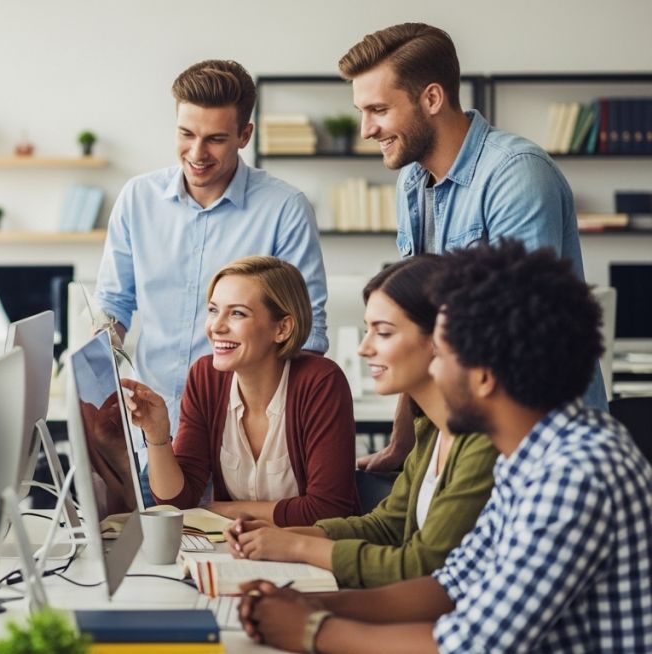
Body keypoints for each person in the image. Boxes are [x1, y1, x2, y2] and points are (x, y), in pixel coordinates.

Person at [238, 242, 652, 653]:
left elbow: (473, 646)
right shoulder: (530, 460)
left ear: (484, 376)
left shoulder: (575, 472)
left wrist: (312, 630)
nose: (434, 368)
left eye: (444, 354)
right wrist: (308, 604)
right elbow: (450, 585)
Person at [339, 22, 607, 473]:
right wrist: (404, 445)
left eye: (379, 109)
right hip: (462, 434)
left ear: (431, 98)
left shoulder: (516, 175)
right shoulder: (412, 182)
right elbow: (414, 321)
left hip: (539, 441)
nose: (367, 130)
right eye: (362, 111)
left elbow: (519, 335)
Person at [94, 59, 330, 504]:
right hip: (151, 440)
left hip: (241, 448)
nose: (197, 153)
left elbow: (309, 332)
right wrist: (97, 357)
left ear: (245, 135)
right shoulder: (137, 198)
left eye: (216, 139)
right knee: (152, 568)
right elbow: (113, 304)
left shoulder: (284, 208)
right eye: (186, 134)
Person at [224, 256, 497, 587]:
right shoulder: (431, 432)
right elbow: (386, 527)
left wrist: (297, 545)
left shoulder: (485, 443)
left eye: (382, 333)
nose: (364, 348)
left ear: (440, 339)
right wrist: (278, 535)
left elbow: (421, 567)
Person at [121, 257, 356, 526]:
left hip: (309, 553)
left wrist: (220, 510)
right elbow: (179, 503)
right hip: (237, 549)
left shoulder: (320, 382)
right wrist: (157, 436)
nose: (216, 327)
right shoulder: (205, 378)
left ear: (282, 328)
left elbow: (328, 510)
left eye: (237, 313)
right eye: (213, 310)